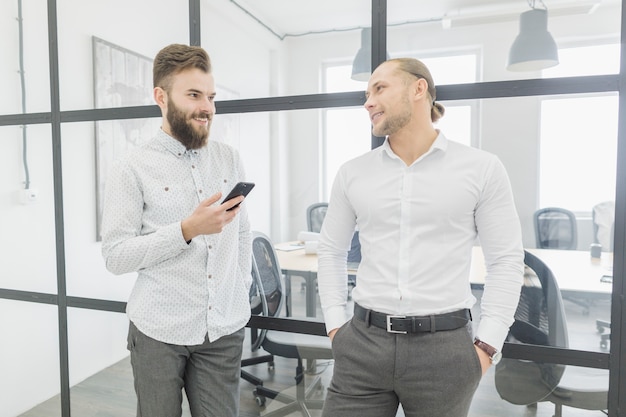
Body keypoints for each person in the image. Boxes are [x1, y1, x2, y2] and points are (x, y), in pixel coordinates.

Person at [317, 57, 524, 417]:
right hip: (362, 345)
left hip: (445, 351)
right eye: (367, 93)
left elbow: (506, 261)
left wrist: (487, 346)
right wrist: (336, 327)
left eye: (379, 88)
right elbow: (331, 251)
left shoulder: (481, 168)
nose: (367, 101)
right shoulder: (353, 173)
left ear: (418, 88)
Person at [101, 44, 252, 417]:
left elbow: (243, 233)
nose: (208, 108)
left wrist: (241, 287)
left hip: (223, 331)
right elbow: (116, 256)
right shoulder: (130, 168)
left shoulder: (229, 158)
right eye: (194, 95)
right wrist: (186, 229)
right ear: (161, 97)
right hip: (157, 333)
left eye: (211, 97)